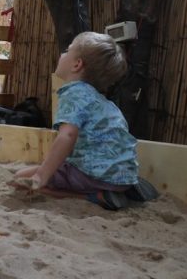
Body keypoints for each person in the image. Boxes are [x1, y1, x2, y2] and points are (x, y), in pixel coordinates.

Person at [10, 32, 156, 210]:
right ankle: (120, 191)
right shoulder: (104, 103)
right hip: (124, 177)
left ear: (77, 64)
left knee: (20, 178)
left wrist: (41, 176)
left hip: (93, 175)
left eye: (67, 50)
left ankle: (94, 196)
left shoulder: (73, 93)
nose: (62, 54)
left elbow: (67, 135)